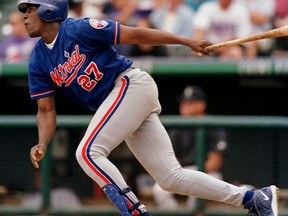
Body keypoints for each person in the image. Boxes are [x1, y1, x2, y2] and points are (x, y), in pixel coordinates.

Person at [17, 0, 278, 215]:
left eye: (29, 9)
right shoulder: (38, 60)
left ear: (48, 9)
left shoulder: (80, 29)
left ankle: (134, 211)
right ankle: (253, 198)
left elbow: (137, 33)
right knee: (170, 178)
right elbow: (46, 110)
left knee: (87, 152)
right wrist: (42, 142)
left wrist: (185, 41)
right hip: (118, 103)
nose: (24, 17)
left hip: (130, 85)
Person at [152, 86, 228, 209]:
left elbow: (215, 163)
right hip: (183, 171)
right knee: (159, 191)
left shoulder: (213, 125)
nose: (184, 105)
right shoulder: (177, 127)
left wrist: (193, 175)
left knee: (196, 196)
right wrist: (180, 174)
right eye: (183, 102)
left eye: (190, 102)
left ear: (201, 105)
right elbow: (172, 159)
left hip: (207, 172)